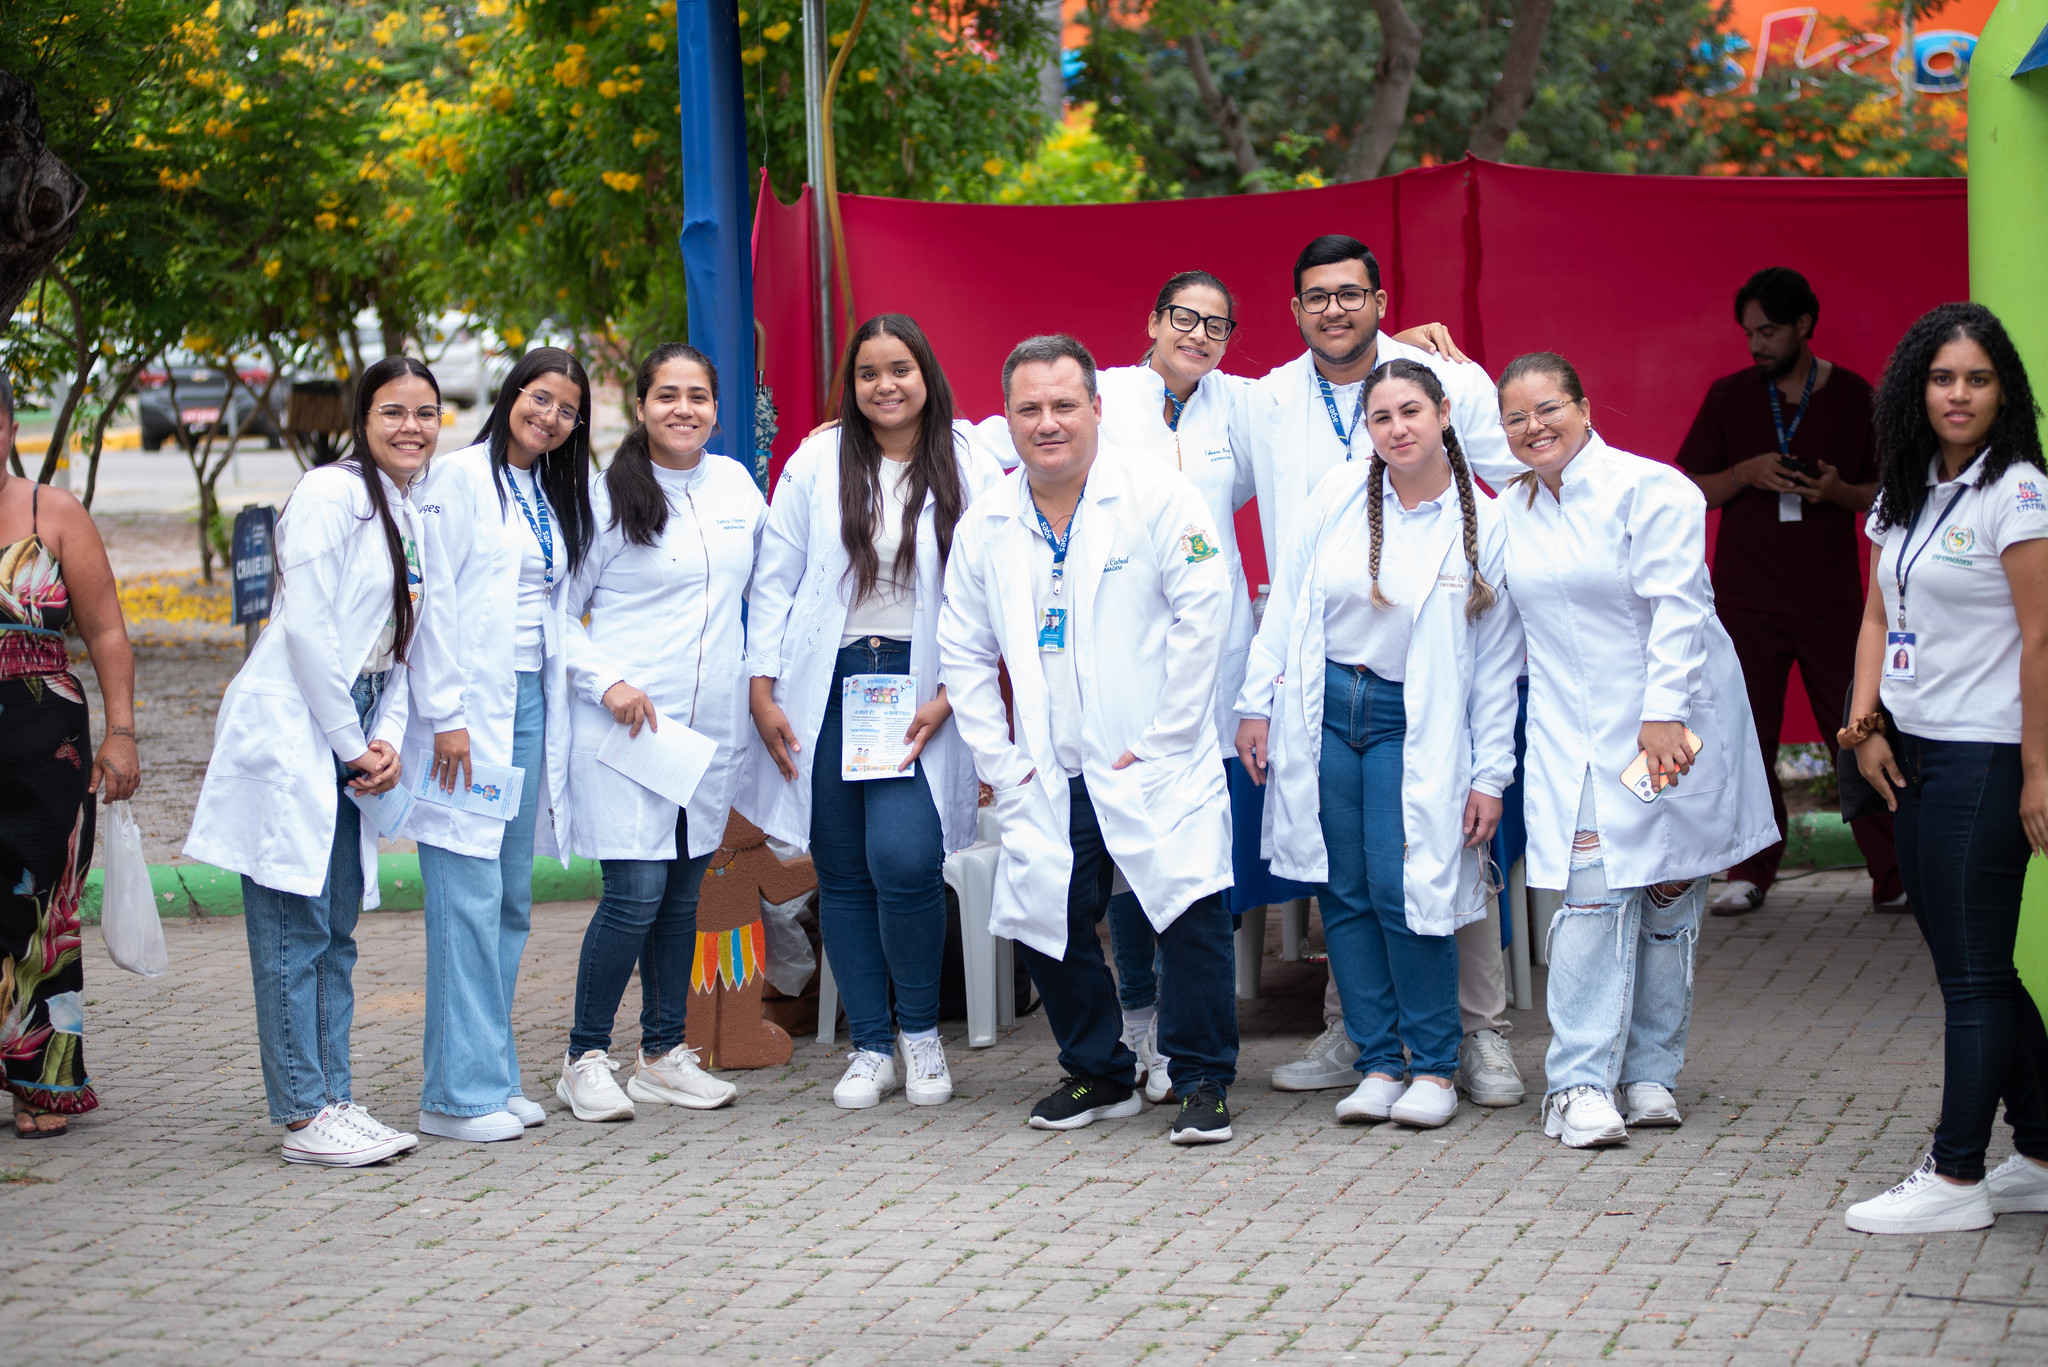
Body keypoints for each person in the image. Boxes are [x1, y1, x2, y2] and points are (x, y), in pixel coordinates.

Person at [1231, 233, 1526, 1110]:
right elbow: (1287, 602)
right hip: (1331, 710)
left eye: (1412, 413)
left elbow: (1494, 666)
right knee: (1347, 890)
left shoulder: (1482, 521)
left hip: (1415, 718)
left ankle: (1441, 1058)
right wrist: (1257, 701)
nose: (1396, 426)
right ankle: (1378, 1061)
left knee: (1417, 888)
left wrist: (1490, 773)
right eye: (1382, 417)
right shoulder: (1332, 486)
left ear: (1444, 416)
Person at [938, 334, 1240, 1144]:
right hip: (1047, 759)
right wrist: (998, 756)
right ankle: (1101, 1070)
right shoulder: (989, 520)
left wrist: (1169, 733)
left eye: (1064, 404)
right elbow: (962, 647)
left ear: (1097, 409)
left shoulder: (1155, 494)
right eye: (1029, 408)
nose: (1048, 422)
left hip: (1147, 749)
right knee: (1047, 914)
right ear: (1006, 418)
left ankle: (1202, 1076)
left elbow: (1203, 612)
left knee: (1188, 907)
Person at [1494, 350, 1775, 1150]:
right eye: (1516, 417)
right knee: (1588, 899)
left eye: (1547, 408)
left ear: (1584, 406)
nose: (1533, 427)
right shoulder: (1511, 509)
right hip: (1571, 741)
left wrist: (1661, 716)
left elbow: (1679, 607)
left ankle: (1651, 1070)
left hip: (1667, 723)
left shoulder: (1653, 490)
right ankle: (1578, 1081)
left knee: (1666, 896)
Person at [740, 314, 999, 1109]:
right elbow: (775, 577)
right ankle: (872, 1047)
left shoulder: (968, 461)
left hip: (921, 688)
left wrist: (958, 694)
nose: (885, 385)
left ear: (927, 373)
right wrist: (762, 684)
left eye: (900, 368)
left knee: (906, 858)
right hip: (829, 682)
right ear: (850, 386)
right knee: (843, 869)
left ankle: (922, 1037)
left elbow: (997, 586)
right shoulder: (819, 460)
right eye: (868, 373)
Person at [184, 356, 436, 1166]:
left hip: (353, 715)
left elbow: (401, 642)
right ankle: (303, 1112)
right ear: (362, 419)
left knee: (335, 925)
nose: (411, 427)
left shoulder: (407, 507)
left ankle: (333, 1093)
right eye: (393, 411)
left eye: (426, 413)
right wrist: (351, 742)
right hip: (301, 717)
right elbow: (306, 631)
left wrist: (388, 732)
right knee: (294, 926)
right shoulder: (332, 493)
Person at [1840, 302, 2048, 1235]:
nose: (1958, 394)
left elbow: (2043, 642)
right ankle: (2040, 1151)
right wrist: (1865, 721)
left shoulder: (2023, 493)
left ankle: (1956, 1176)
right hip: (1913, 749)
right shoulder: (1908, 485)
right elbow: (1879, 616)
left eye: (1977, 378)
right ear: (1915, 389)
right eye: (1942, 377)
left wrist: (2039, 770)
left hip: (1990, 753)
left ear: (2004, 392)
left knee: (1970, 976)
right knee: (1975, 965)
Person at [553, 344, 766, 1123]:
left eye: (699, 396)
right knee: (635, 893)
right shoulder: (605, 497)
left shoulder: (738, 486)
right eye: (668, 395)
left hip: (708, 731)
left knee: (682, 896)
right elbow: (556, 611)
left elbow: (772, 585)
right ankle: (582, 1056)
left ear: (716, 407)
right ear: (640, 407)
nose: (684, 409)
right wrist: (605, 680)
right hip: (627, 729)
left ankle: (662, 1054)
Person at [401, 348, 598, 1142]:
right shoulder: (455, 477)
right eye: (538, 397)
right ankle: (454, 1094)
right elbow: (431, 601)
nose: (549, 415)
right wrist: (444, 713)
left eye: (566, 409)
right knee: (464, 897)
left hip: (525, 705)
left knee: (509, 899)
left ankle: (493, 1070)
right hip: (464, 717)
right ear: (512, 393)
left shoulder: (548, 489)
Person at [1677, 267, 1900, 916]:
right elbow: (1689, 492)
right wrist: (1744, 472)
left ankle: (1893, 872)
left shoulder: (1857, 397)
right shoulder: (1730, 396)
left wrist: (1838, 493)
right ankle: (1747, 869)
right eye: (1749, 332)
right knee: (1748, 734)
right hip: (1747, 597)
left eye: (1768, 330)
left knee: (1860, 730)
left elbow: (1886, 496)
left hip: (1832, 598)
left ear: (1805, 324)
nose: (1756, 344)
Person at [0, 373, 141, 1139]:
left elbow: (107, 631)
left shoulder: (51, 512)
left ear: (7, 424)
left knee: (38, 909)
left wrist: (121, 732)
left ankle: (42, 1084)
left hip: (40, 743)